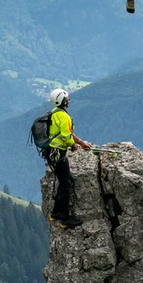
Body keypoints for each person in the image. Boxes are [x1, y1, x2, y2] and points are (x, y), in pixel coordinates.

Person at [45, 87, 92, 229]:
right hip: (59, 154)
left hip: (50, 152)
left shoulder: (55, 113)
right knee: (66, 183)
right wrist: (74, 146)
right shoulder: (64, 116)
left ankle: (55, 214)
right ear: (64, 100)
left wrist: (81, 143)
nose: (69, 100)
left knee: (64, 181)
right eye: (67, 98)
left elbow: (67, 133)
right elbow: (66, 137)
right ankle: (65, 219)